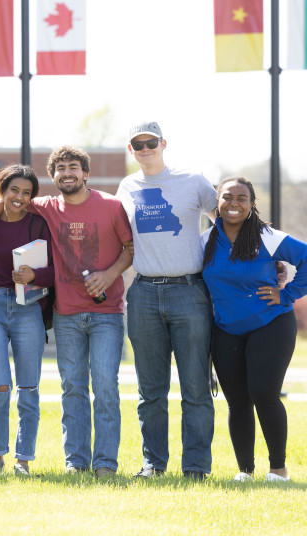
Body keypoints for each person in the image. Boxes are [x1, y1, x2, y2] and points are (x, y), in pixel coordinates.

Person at [0, 146, 132, 479]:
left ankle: (106, 465)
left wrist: (110, 275)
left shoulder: (112, 205)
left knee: (106, 387)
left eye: (74, 167)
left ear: (86, 173)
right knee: (72, 388)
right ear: (54, 176)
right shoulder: (46, 207)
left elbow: (130, 249)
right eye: (61, 168)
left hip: (107, 313)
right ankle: (76, 462)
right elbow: (10, 199)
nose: (67, 173)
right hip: (66, 311)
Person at [116, 121, 216, 480]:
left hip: (189, 292)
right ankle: (154, 465)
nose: (146, 149)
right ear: (132, 150)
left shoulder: (193, 180)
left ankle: (196, 468)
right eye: (138, 144)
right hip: (143, 293)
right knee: (150, 391)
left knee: (195, 387)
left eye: (151, 142)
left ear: (163, 143)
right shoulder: (127, 186)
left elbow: (230, 221)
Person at [202, 176, 307, 482]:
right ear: (217, 203)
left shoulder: (267, 236)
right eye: (227, 197)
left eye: (241, 198)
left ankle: (278, 469)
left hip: (271, 324)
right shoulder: (206, 240)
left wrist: (286, 294)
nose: (234, 203)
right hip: (226, 328)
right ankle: (245, 471)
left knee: (263, 392)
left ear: (251, 205)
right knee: (236, 399)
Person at [0, 164, 54, 476]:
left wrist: (35, 274)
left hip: (28, 308)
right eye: (13, 191)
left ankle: (23, 461)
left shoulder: (39, 225)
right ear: (2, 192)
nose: (19, 197)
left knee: (29, 388)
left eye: (26, 192)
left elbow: (55, 270)